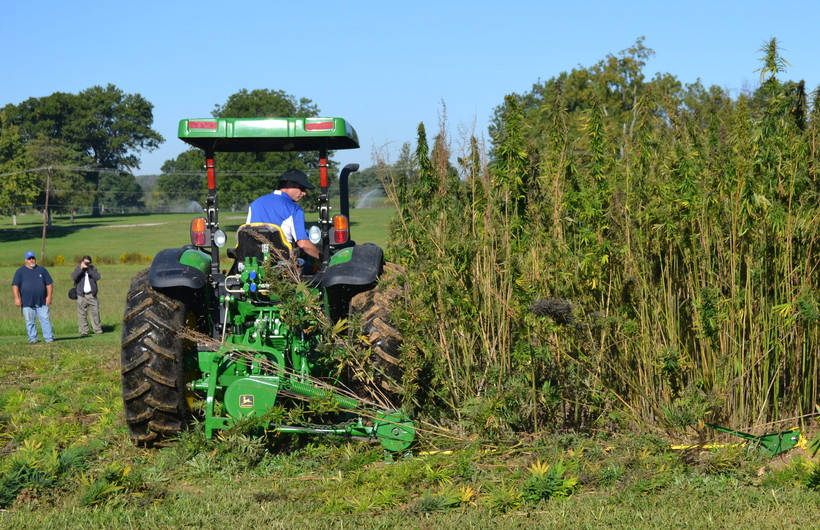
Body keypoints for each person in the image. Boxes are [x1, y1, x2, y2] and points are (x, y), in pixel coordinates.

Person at [246, 168, 321, 260]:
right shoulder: (294, 208)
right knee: (308, 264)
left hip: (253, 259)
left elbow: (247, 233)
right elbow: (303, 244)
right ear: (289, 184)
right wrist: (323, 259)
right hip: (282, 262)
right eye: (302, 188)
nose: (304, 193)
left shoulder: (255, 203)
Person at [11, 251, 55, 344]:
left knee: (45, 319)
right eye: (29, 258)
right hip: (27, 301)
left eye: (33, 258)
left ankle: (49, 339)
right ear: (25, 260)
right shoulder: (20, 271)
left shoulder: (42, 270)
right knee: (30, 321)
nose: (31, 260)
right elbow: (15, 285)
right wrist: (17, 298)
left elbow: (49, 284)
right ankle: (32, 339)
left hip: (42, 301)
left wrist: (49, 296)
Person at [71, 255, 103, 336]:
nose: (86, 264)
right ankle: (84, 331)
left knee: (95, 313)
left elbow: (97, 277)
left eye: (88, 263)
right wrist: (81, 269)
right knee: (82, 314)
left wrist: (89, 269)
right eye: (85, 262)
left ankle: (97, 330)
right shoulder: (78, 268)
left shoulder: (93, 269)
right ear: (82, 262)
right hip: (81, 295)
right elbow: (74, 277)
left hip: (92, 295)